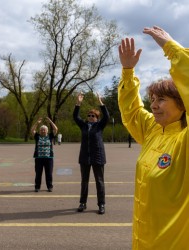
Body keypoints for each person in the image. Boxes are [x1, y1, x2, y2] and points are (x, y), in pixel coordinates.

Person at [118, 26, 189, 249]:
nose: (154, 105)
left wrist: (171, 48)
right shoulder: (153, 130)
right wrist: (128, 72)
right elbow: (132, 112)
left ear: (182, 103)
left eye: (162, 99)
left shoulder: (185, 139)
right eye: (153, 99)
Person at [73, 92, 110, 214]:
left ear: (97, 117)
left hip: (98, 157)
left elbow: (107, 117)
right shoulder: (83, 125)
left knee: (99, 181)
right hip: (84, 157)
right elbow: (75, 117)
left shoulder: (99, 126)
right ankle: (82, 203)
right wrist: (78, 103)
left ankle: (101, 204)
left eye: (93, 115)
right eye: (89, 115)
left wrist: (101, 103)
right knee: (84, 181)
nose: (90, 117)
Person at [31, 117, 58, 192]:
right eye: (41, 130)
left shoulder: (50, 136)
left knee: (49, 173)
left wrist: (50, 121)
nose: (43, 131)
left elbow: (56, 129)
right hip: (39, 158)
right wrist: (37, 123)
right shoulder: (37, 136)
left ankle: (49, 186)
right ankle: (37, 187)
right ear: (39, 131)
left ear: (47, 131)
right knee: (38, 173)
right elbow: (32, 130)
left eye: (44, 130)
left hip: (48, 158)